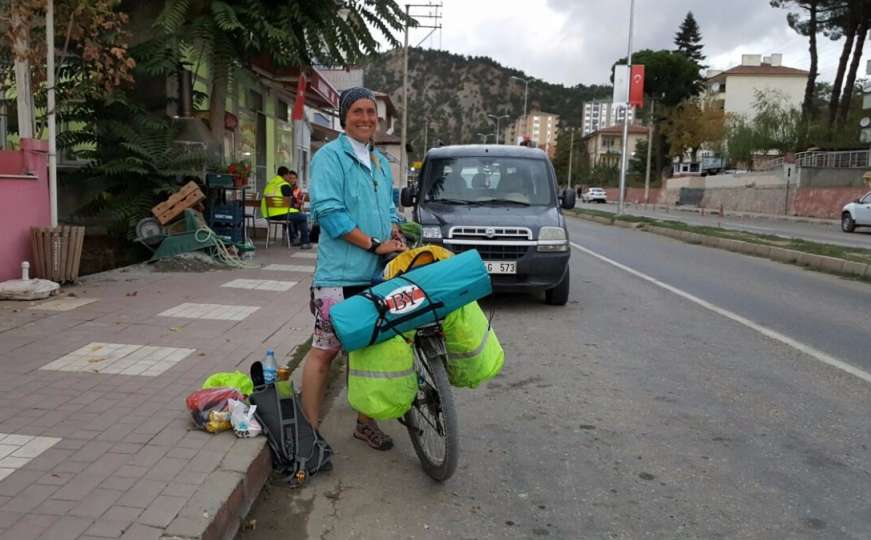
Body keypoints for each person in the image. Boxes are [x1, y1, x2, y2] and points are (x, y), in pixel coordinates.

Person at [302, 86, 407, 451]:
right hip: (338, 276)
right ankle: (309, 435)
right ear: (344, 117)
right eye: (357, 111)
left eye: (371, 112)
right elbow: (330, 215)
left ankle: (365, 423)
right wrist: (374, 244)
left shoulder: (378, 161)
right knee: (325, 351)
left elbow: (388, 208)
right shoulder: (330, 157)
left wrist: (394, 230)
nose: (366, 118)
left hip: (377, 276)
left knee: (368, 353)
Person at [261, 166, 311, 249]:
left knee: (293, 215)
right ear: (284, 175)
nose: (289, 177)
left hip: (268, 214)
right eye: (288, 175)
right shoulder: (284, 185)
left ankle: (293, 238)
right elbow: (292, 201)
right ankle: (305, 242)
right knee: (302, 217)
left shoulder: (270, 184)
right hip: (281, 213)